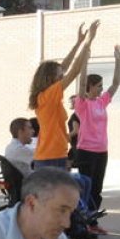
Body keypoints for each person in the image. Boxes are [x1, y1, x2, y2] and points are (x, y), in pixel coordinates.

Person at [29, 20, 99, 170]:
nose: (62, 76)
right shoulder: (47, 96)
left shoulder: (49, 96)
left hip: (56, 155)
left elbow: (66, 67)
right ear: (50, 78)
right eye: (59, 75)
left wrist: (79, 43)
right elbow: (73, 71)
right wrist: (88, 41)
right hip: (49, 158)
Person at [74, 45, 120, 213]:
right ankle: (82, 218)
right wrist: (85, 61)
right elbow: (81, 84)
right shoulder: (82, 104)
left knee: (97, 188)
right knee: (86, 187)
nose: (102, 88)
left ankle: (92, 217)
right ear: (91, 87)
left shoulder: (102, 102)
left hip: (102, 151)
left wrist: (118, 60)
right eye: (99, 86)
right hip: (86, 151)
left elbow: (116, 84)